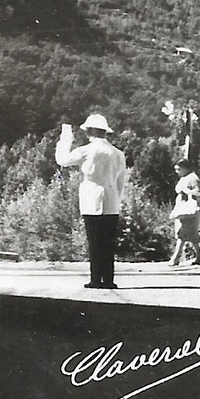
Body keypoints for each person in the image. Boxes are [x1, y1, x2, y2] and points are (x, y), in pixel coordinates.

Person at [55, 113, 129, 290]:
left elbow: (62, 160)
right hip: (111, 200)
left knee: (94, 241)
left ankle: (96, 279)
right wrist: (117, 200)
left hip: (92, 198)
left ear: (91, 131)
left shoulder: (86, 150)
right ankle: (108, 280)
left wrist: (65, 138)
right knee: (108, 243)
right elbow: (121, 182)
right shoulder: (118, 154)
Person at [168, 157, 200, 267]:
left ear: (185, 168)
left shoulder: (193, 178)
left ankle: (176, 257)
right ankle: (199, 255)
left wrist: (188, 191)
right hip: (182, 209)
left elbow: (199, 192)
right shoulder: (184, 178)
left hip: (190, 209)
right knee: (190, 234)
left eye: (178, 169)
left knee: (182, 233)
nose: (177, 172)